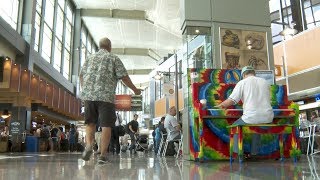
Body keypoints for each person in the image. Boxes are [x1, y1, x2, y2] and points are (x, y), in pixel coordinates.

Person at [80, 37, 141, 164]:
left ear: (99, 46)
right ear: (110, 46)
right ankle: (102, 156)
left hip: (89, 96)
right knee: (106, 125)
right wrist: (135, 90)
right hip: (105, 97)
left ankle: (89, 146)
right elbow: (124, 77)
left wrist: (85, 91)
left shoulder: (89, 59)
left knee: (90, 123)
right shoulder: (113, 58)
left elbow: (81, 76)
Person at [216, 66, 274, 156]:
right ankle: (254, 154)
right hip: (268, 117)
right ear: (254, 73)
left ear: (243, 75)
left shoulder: (242, 82)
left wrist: (221, 105)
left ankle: (238, 154)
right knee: (256, 127)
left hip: (251, 117)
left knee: (234, 127)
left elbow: (231, 100)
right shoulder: (265, 82)